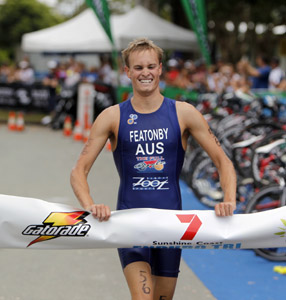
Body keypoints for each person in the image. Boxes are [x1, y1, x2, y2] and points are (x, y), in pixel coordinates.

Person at [70, 38, 237, 300]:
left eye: (150, 66)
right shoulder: (113, 116)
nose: (145, 73)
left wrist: (228, 199)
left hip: (172, 227)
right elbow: (79, 170)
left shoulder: (184, 113)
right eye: (138, 68)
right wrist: (90, 205)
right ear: (127, 72)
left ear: (160, 68)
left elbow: (223, 161)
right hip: (130, 224)